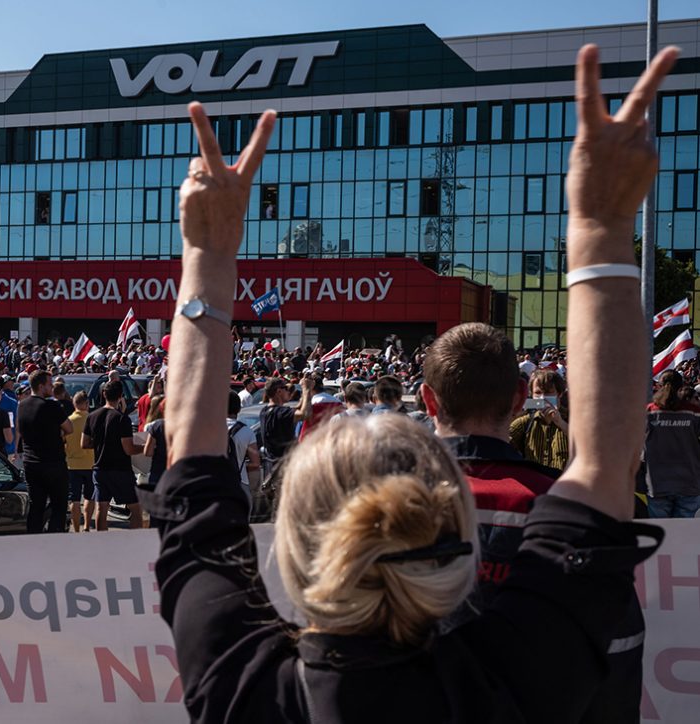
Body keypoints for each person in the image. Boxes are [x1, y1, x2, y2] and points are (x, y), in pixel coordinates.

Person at [149, 44, 675, 720]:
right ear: (453, 537)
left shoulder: (241, 686)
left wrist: (206, 251)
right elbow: (606, 464)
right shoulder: (516, 680)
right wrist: (601, 224)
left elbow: (189, 455)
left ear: (295, 550)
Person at [419, 322, 645, 723]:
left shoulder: (369, 509)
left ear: (428, 401)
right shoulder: (573, 515)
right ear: (520, 397)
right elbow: (616, 654)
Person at [83, 380, 144, 530]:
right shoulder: (122, 419)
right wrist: (145, 448)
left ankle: (102, 540)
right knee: (136, 509)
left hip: (100, 468)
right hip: (120, 469)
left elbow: (84, 443)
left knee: (101, 508)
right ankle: (136, 539)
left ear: (104, 394)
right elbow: (128, 449)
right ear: (121, 396)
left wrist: (101, 443)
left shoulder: (92, 416)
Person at [16, 370, 73, 533]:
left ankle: (34, 538)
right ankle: (54, 538)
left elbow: (20, 430)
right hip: (52, 463)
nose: (52, 387)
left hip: (31, 463)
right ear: (41, 387)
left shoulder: (22, 406)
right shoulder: (51, 406)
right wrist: (59, 432)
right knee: (59, 506)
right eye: (49, 384)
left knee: (36, 506)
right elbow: (69, 428)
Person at [643, 369, 700, 518]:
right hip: (689, 483)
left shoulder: (649, 412)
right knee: (683, 531)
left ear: (659, 385)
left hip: (657, 483)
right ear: (681, 386)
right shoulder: (694, 412)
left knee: (661, 529)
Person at [510, 368, 570, 471]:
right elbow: (501, 443)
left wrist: (561, 423)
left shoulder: (573, 419)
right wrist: (511, 417)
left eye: (548, 392)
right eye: (538, 393)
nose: (542, 397)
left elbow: (589, 445)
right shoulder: (525, 422)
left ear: (559, 394)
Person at [63, 392, 95, 532]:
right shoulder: (92, 419)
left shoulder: (69, 420)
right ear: (86, 404)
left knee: (74, 499)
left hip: (72, 464)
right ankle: (87, 526)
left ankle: (76, 530)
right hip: (90, 463)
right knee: (89, 497)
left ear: (74, 403)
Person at [226, 391, 261, 508]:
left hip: (217, 483)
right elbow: (255, 463)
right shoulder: (247, 432)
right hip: (240, 482)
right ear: (239, 409)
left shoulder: (213, 429)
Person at [141, 394, 168, 486]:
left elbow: (148, 452)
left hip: (158, 469)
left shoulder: (155, 426)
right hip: (175, 470)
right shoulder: (182, 425)